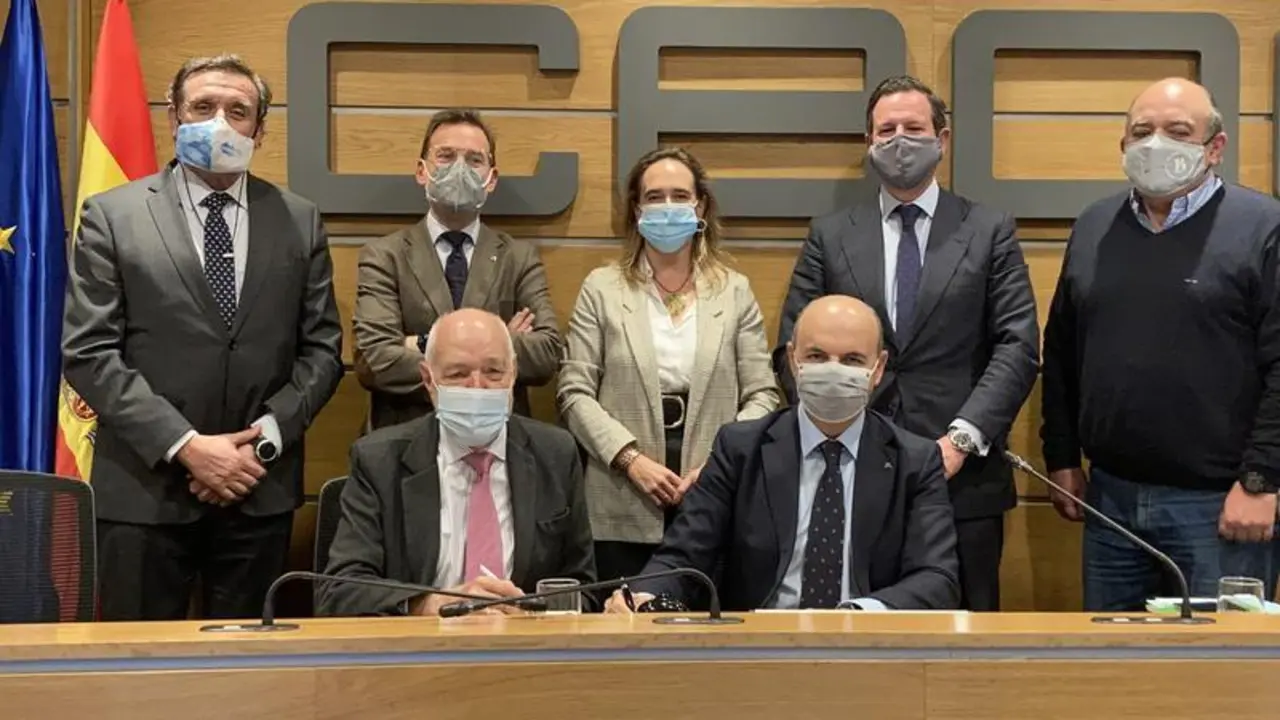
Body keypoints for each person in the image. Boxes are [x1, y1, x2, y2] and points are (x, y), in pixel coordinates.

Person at [62, 54, 344, 621]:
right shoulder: (113, 216)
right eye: (203, 107)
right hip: (144, 492)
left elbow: (322, 349)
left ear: (259, 129)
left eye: (238, 111)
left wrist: (263, 441)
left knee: (248, 668)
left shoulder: (299, 219)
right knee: (138, 665)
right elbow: (88, 352)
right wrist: (188, 447)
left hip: (257, 486)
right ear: (174, 117)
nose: (220, 122)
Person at [773, 75, 1039, 611]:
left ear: (943, 139)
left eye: (913, 129)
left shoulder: (989, 229)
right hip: (852, 471)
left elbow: (1018, 345)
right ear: (868, 142)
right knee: (859, 621)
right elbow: (791, 349)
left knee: (966, 626)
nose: (899, 141)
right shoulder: (830, 234)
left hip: (964, 479)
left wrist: (959, 443)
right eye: (886, 130)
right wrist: (841, 433)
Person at [1041, 77, 1280, 611]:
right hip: (1110, 502)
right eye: (1142, 131)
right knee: (1113, 659)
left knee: (1219, 662)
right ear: (1123, 144)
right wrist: (1061, 456)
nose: (1156, 144)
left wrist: (1261, 481)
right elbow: (1061, 351)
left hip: (1222, 506)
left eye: (1178, 131)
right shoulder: (1095, 225)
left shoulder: (1265, 228)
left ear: (1215, 147)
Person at [604, 295, 960, 612]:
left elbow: (937, 578)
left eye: (852, 360)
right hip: (759, 647)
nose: (833, 370)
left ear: (878, 369)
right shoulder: (740, 449)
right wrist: (643, 596)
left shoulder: (915, 461)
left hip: (867, 645)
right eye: (817, 356)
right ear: (792, 359)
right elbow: (684, 556)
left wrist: (856, 613)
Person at [557, 147, 781, 586]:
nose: (667, 206)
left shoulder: (734, 291)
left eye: (680, 196)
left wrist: (719, 462)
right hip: (622, 488)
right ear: (636, 209)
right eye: (654, 197)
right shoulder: (602, 288)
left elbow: (763, 394)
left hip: (711, 485)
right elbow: (574, 391)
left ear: (700, 207)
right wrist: (629, 459)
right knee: (622, 616)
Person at [319, 309, 595, 616]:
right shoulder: (380, 461)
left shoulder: (555, 454)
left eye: (493, 371)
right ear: (428, 380)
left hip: (524, 641)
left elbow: (583, 589)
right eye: (457, 374)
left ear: (514, 373)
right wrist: (430, 604)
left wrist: (533, 614)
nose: (477, 387)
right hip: (426, 641)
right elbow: (341, 591)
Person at [352, 108, 563, 430]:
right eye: (446, 156)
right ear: (422, 171)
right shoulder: (384, 256)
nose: (459, 169)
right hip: (404, 440)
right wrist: (500, 342)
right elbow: (375, 360)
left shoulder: (519, 258)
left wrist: (416, 343)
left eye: (474, 160)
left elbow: (546, 354)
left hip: (500, 438)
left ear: (492, 179)